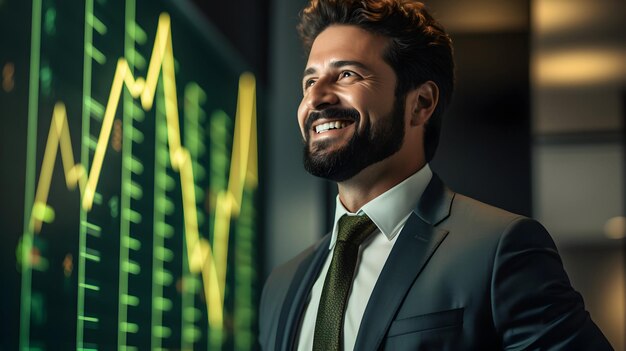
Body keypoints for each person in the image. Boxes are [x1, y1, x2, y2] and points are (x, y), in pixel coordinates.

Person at [258, 0, 613, 350]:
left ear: (421, 103)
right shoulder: (282, 284)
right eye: (309, 81)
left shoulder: (500, 251)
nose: (315, 98)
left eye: (347, 74)